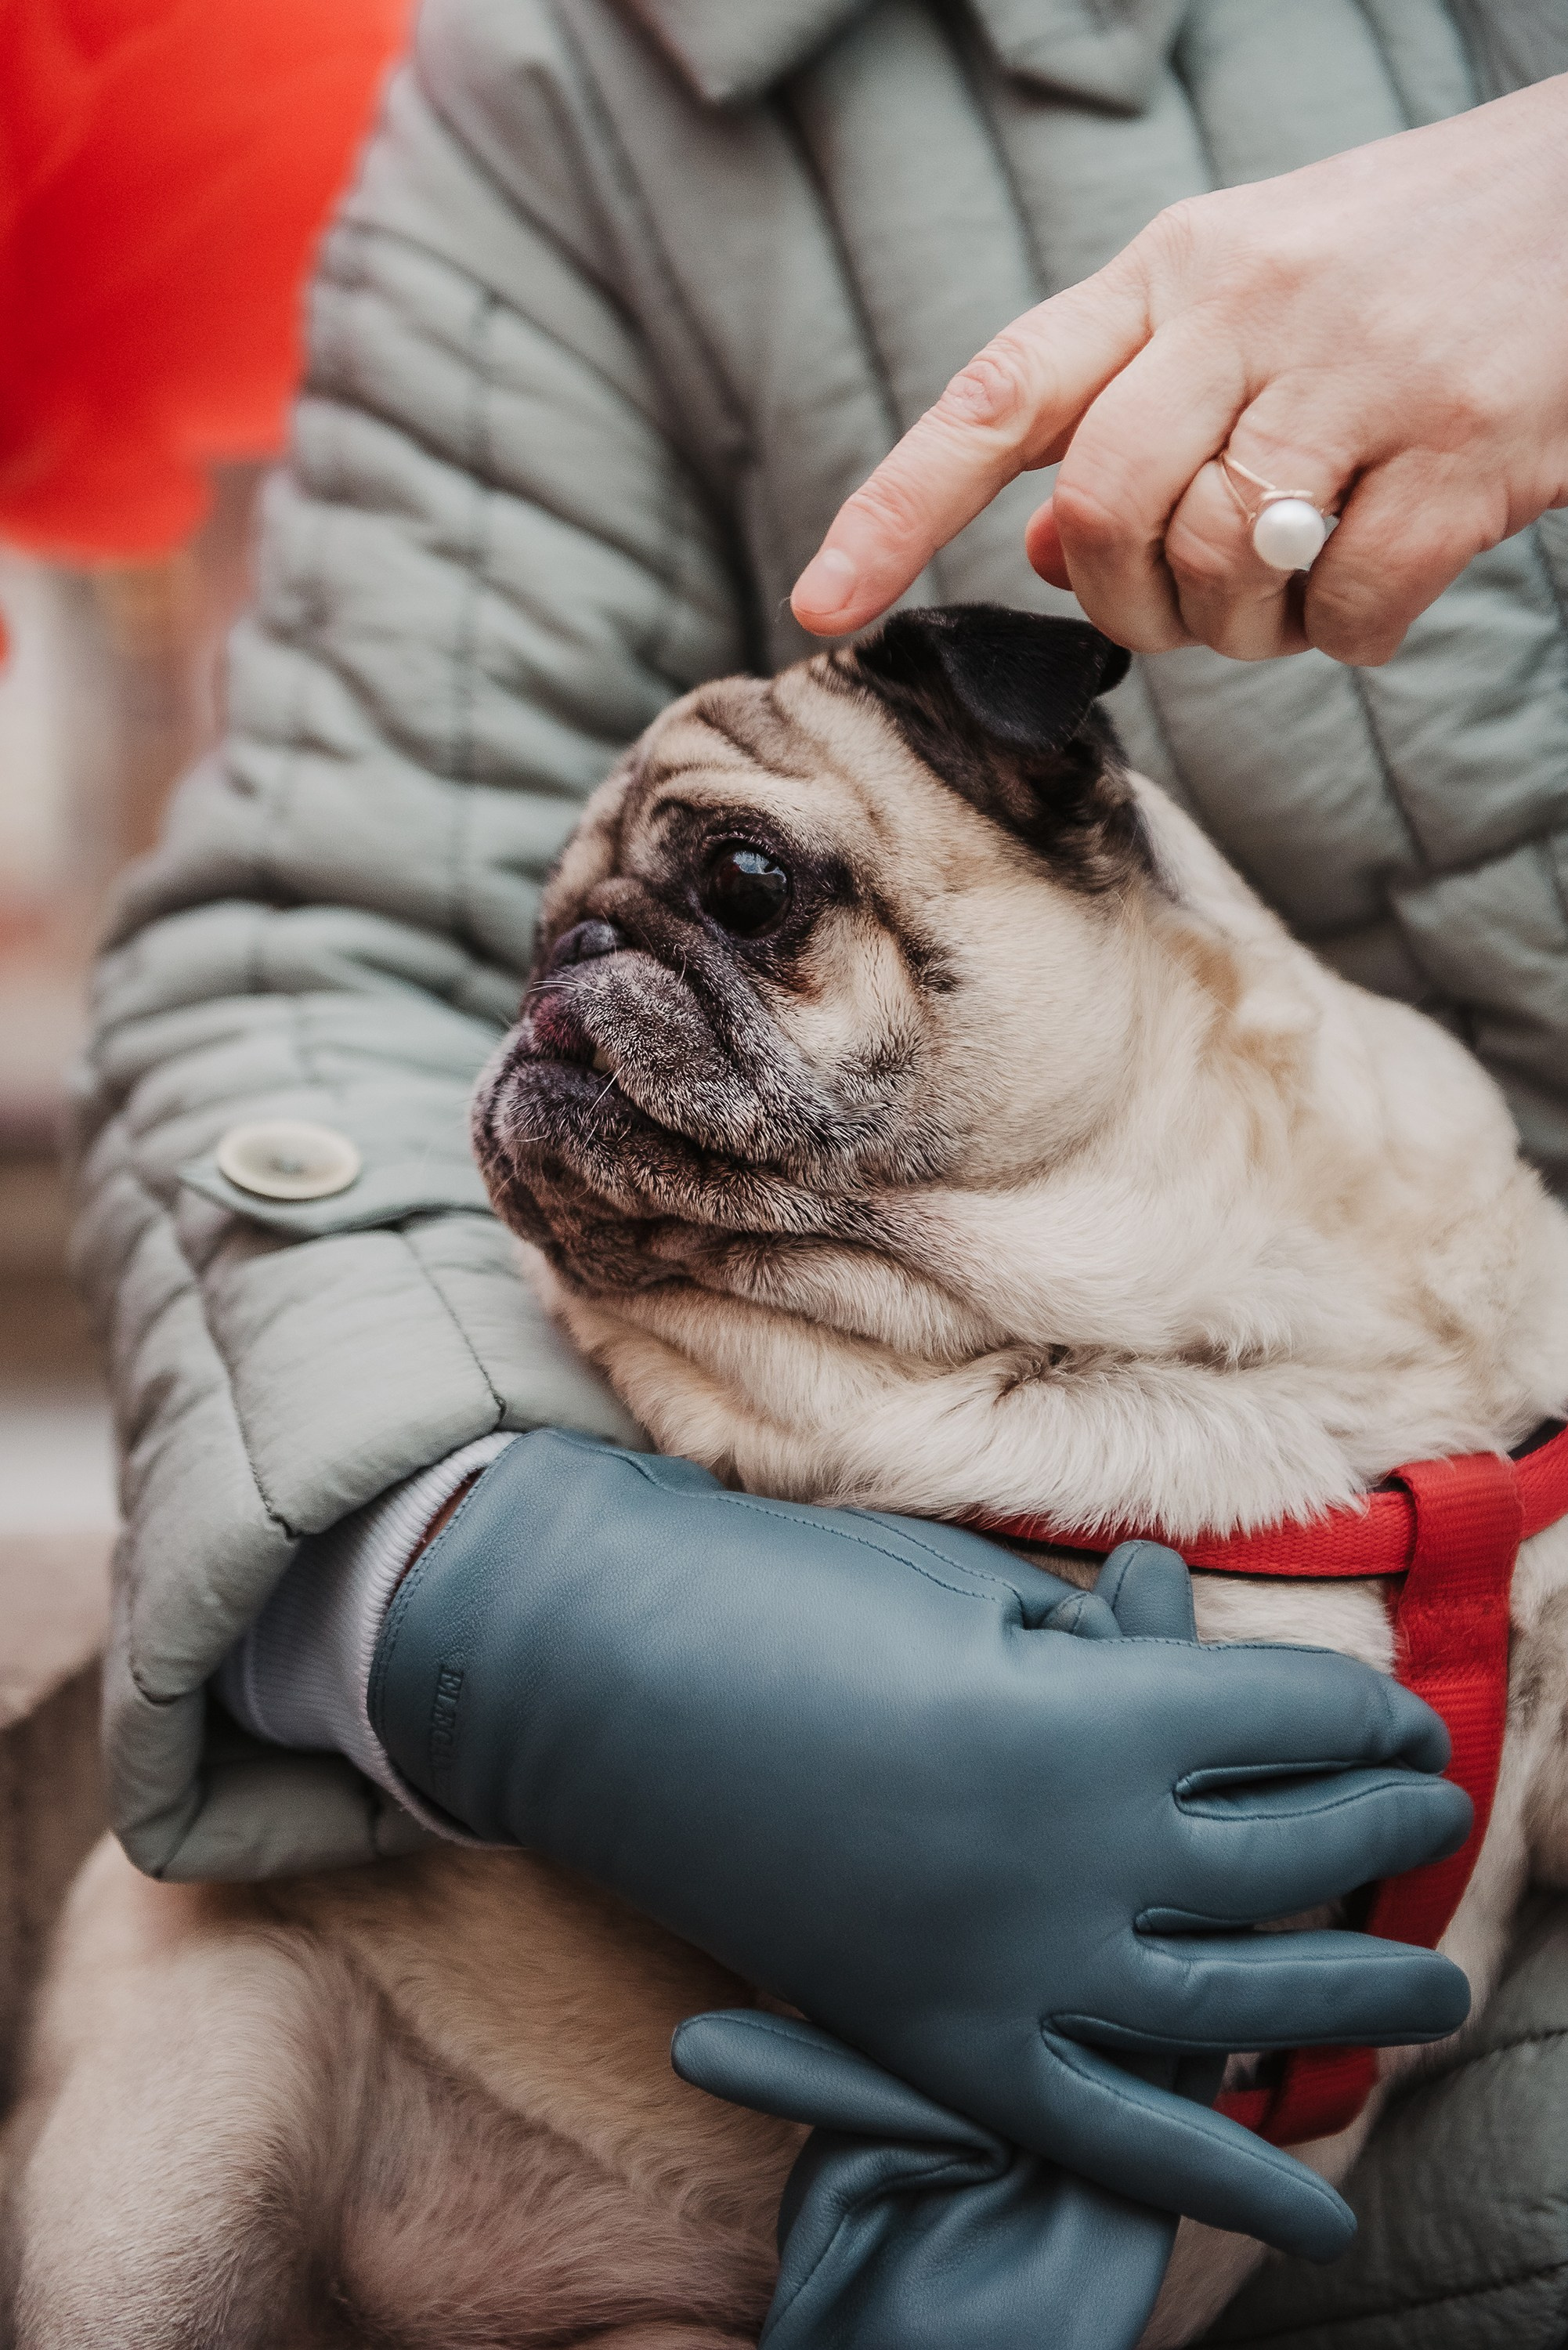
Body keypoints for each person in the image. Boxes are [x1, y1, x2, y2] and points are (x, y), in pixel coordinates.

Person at [72, 3, 1568, 2343]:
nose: (589, 998)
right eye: (565, 957)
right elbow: (314, 936)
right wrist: (457, 1593)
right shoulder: (561, 95)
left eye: (747, 899)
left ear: (1059, 807)